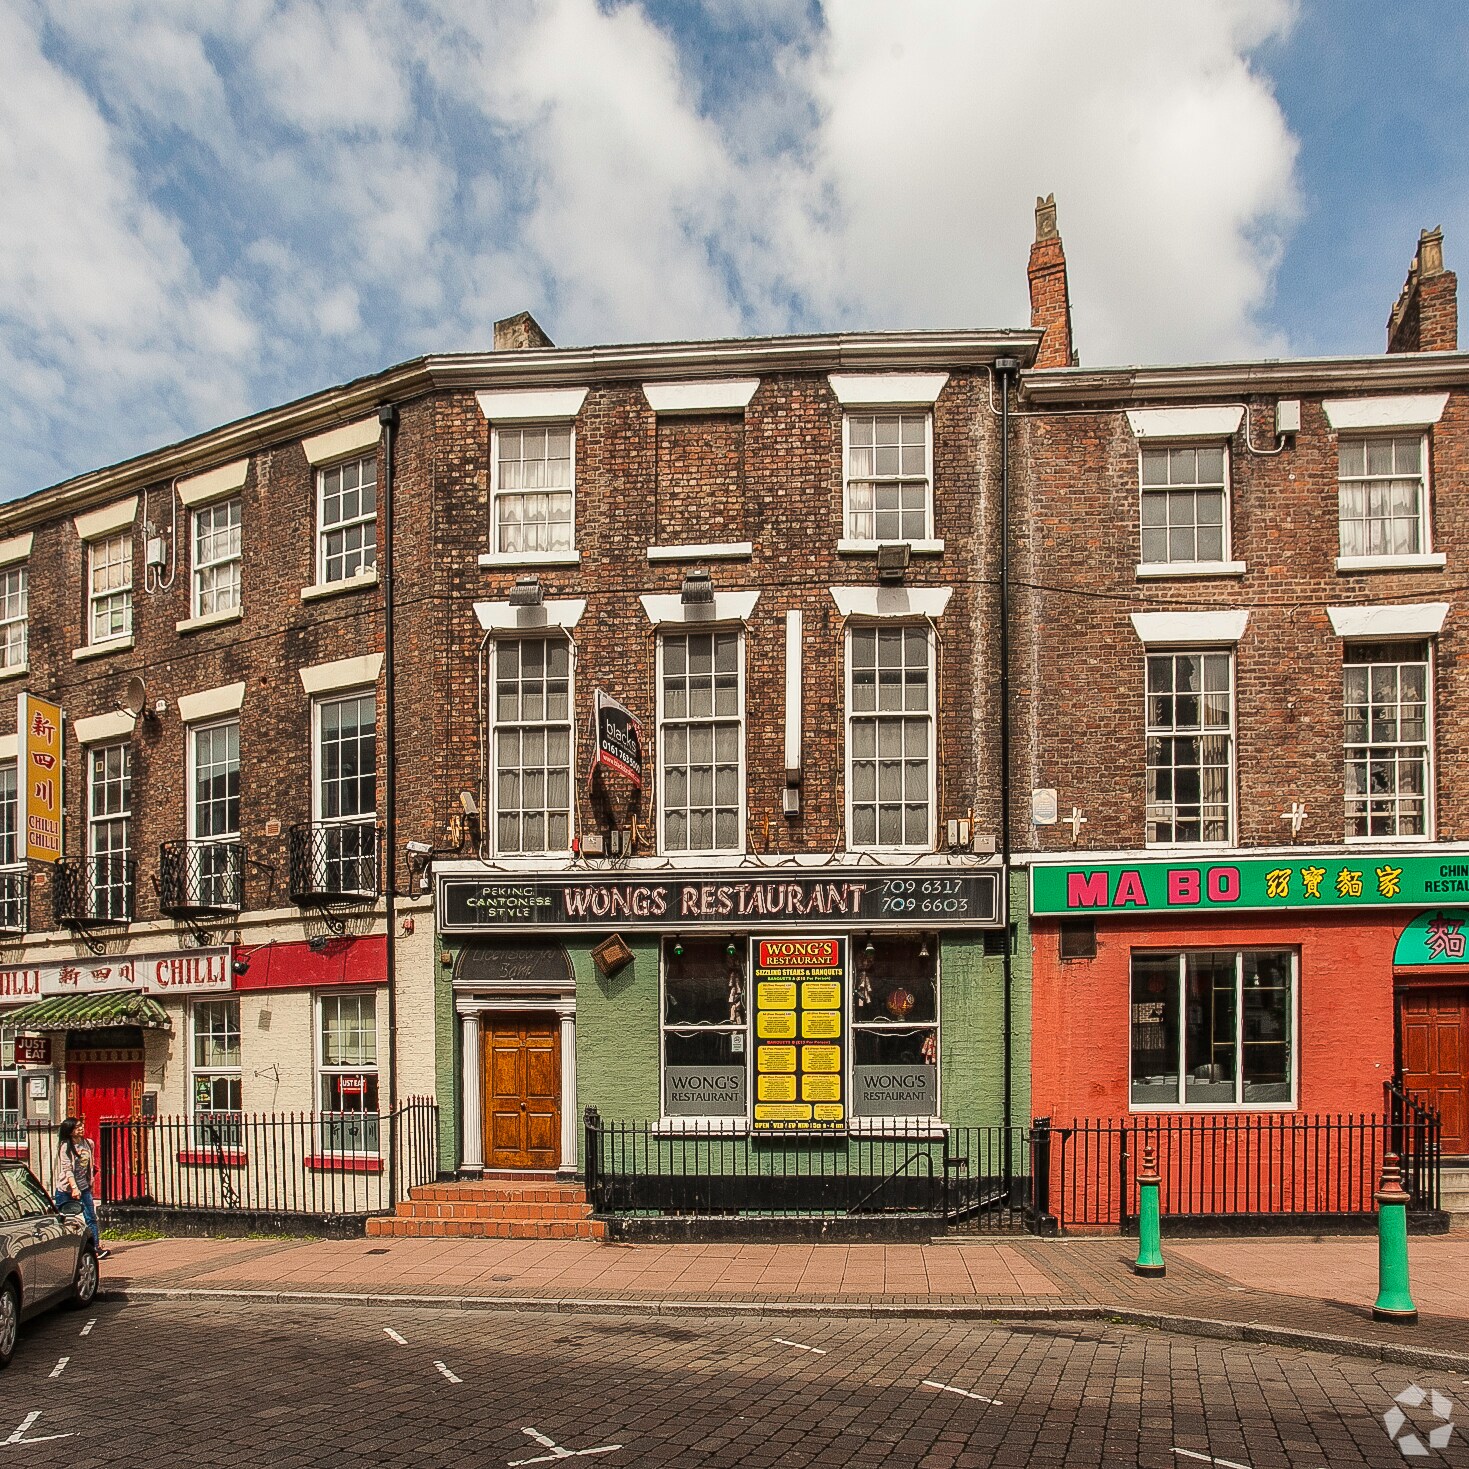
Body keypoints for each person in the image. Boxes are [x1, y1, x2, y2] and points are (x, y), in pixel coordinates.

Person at [54, 1116, 109, 1260]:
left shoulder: (88, 1143)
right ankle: (60, 1248)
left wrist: (90, 1179)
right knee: (61, 1218)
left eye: (81, 1126)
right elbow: (67, 1169)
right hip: (66, 1188)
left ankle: (95, 1247)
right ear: (70, 1131)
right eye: (77, 1127)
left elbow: (90, 1163)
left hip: (84, 1187)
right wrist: (74, 1187)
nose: (81, 1128)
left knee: (91, 1217)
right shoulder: (65, 1146)